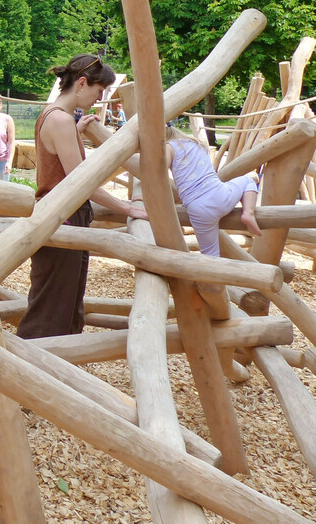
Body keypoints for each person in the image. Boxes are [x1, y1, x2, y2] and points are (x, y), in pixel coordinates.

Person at [16, 54, 147, 340]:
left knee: (61, 297)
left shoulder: (53, 116)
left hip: (59, 213)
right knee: (54, 304)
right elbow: (81, 183)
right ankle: (33, 367)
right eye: (99, 92)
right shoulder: (60, 120)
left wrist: (75, 132)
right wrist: (125, 207)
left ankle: (53, 365)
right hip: (62, 216)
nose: (99, 99)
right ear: (82, 83)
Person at [166, 123, 261, 258]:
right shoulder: (196, 144)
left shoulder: (168, 147)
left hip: (198, 208)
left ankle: (209, 277)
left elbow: (158, 171)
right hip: (221, 195)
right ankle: (248, 213)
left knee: (210, 255)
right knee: (248, 181)